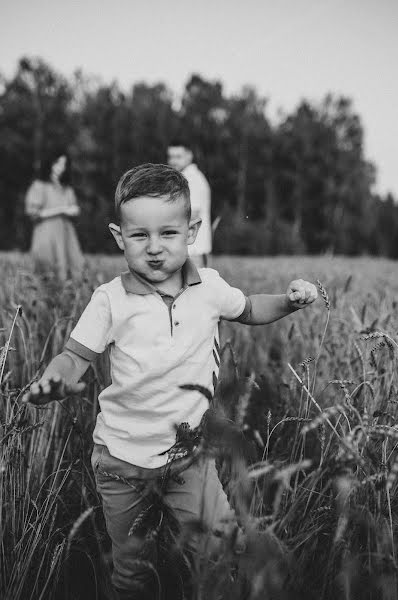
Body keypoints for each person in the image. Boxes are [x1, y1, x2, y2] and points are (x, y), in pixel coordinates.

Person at [22, 163, 318, 599]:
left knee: (217, 550)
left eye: (169, 234)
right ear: (120, 237)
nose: (155, 248)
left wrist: (290, 303)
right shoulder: (110, 300)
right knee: (131, 570)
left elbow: (251, 308)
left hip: (190, 458)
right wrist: (55, 383)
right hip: (122, 462)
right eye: (140, 236)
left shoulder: (210, 287)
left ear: (192, 231)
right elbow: (73, 356)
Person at [25, 151, 84, 280]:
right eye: (57, 163)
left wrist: (74, 210)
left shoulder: (67, 188)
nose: (61, 167)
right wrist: (62, 210)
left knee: (72, 271)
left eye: (64, 164)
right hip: (46, 234)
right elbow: (33, 213)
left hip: (66, 235)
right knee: (47, 272)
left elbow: (74, 210)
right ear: (50, 164)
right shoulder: (39, 186)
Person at [167, 139, 212, 268]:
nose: (173, 161)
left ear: (189, 156)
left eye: (178, 156)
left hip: (193, 249)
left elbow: (192, 213)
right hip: (190, 247)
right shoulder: (185, 177)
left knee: (196, 286)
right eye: (170, 157)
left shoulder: (192, 179)